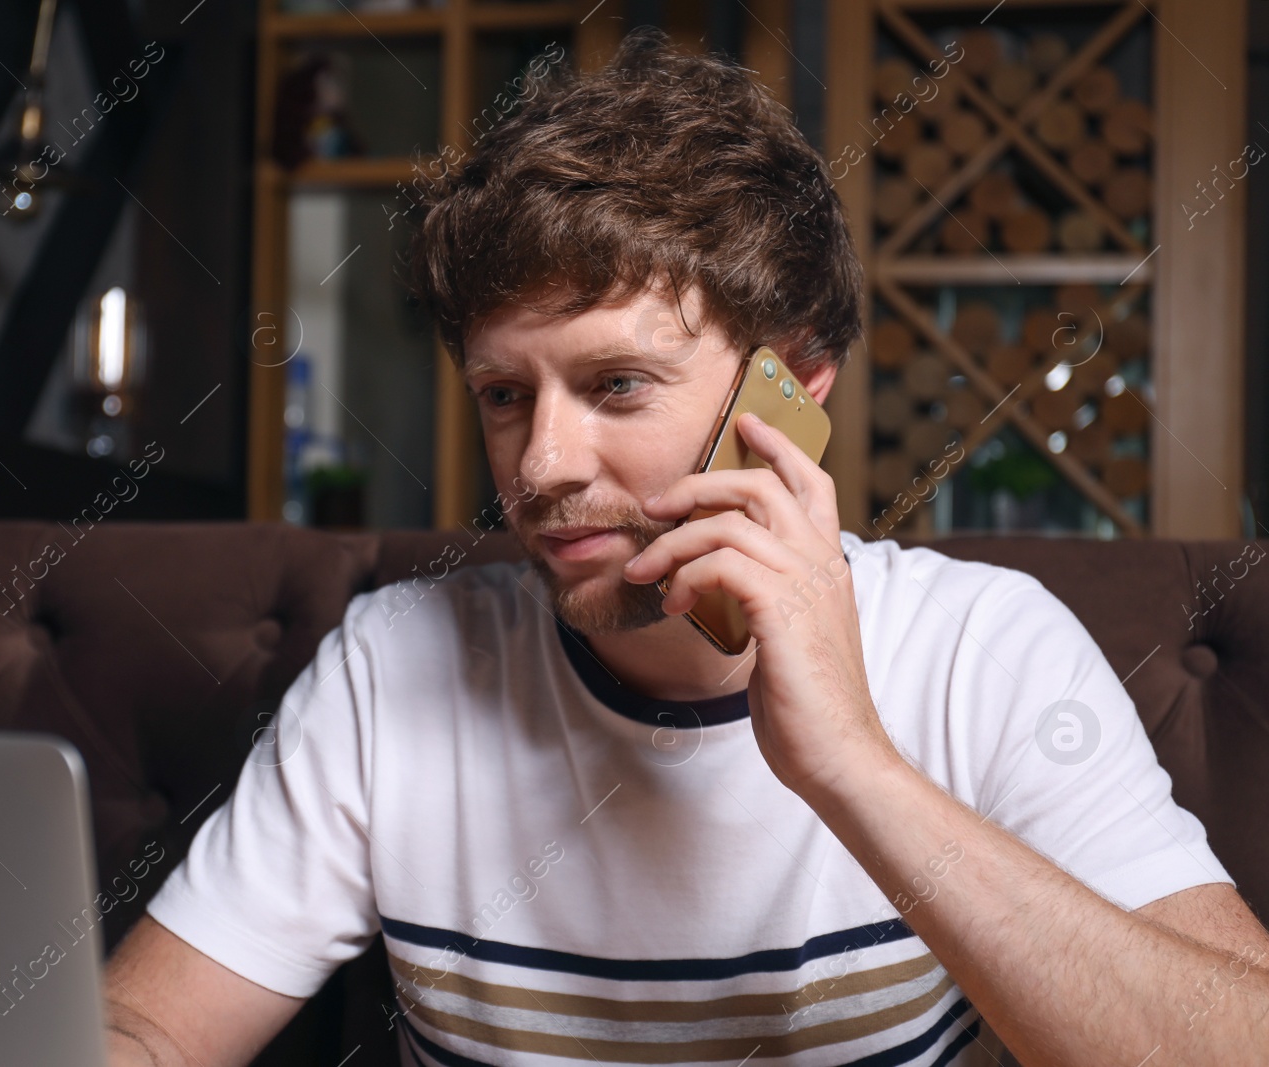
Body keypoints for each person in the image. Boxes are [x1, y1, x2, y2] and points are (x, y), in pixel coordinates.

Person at [102, 29, 1269, 1067]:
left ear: (791, 393)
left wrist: (853, 765)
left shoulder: (983, 650)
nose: (541, 463)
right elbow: (150, 1028)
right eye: (504, 394)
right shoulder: (389, 665)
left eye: (618, 384)